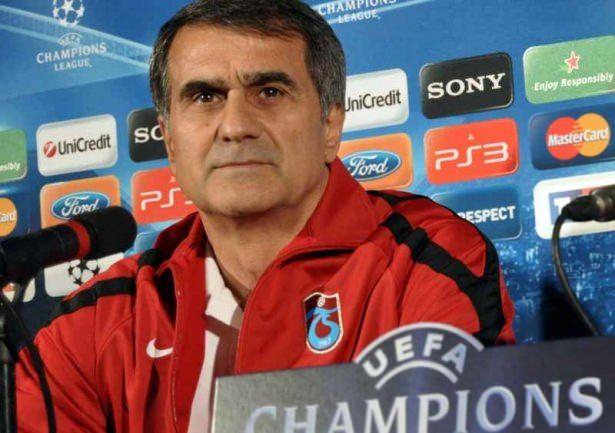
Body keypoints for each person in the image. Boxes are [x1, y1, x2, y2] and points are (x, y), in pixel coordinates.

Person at [15, 0, 515, 432]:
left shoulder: (424, 261)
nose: (235, 126)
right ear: (169, 141)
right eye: (205, 97)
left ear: (330, 125)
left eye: (270, 92)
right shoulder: (92, 322)